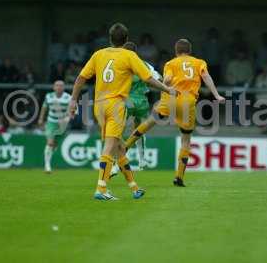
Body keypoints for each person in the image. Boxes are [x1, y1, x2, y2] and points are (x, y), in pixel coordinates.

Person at [68, 23, 174, 201]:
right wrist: (167, 89)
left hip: (99, 105)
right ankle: (101, 189)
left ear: (110, 39)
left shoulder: (99, 54)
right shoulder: (129, 55)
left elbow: (81, 78)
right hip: (116, 105)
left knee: (119, 148)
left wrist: (73, 100)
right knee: (110, 147)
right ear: (126, 39)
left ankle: (134, 188)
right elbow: (148, 78)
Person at [124, 39, 225, 187]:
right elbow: (206, 77)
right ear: (189, 50)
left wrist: (166, 84)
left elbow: (168, 79)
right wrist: (216, 95)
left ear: (176, 51)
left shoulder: (170, 64)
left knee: (150, 122)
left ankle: (125, 146)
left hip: (170, 99)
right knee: (185, 139)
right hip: (187, 102)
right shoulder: (199, 62)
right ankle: (179, 177)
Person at [110, 41, 162, 177]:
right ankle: (142, 160)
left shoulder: (120, 63)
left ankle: (115, 165)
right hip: (142, 102)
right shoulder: (144, 64)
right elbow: (158, 78)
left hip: (126, 101)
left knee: (117, 131)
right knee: (138, 130)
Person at [38, 80, 71, 173]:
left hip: (62, 124)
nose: (59, 87)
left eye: (61, 86)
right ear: (54, 87)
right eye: (57, 85)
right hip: (51, 122)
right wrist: (41, 118)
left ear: (63, 88)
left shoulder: (68, 97)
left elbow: (72, 110)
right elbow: (44, 107)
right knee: (50, 142)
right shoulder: (49, 96)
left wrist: (67, 118)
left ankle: (49, 157)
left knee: (54, 145)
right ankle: (47, 165)